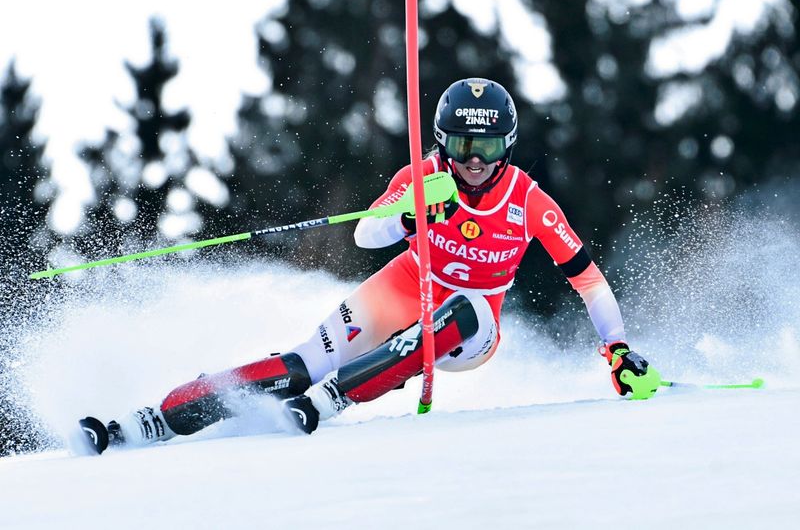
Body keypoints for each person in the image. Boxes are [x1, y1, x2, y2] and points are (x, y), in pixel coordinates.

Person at [79, 78, 660, 454]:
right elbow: (366, 230)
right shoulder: (422, 176)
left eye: (485, 149)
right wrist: (412, 218)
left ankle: (334, 399)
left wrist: (616, 347)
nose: (473, 162)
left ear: (507, 146)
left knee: (464, 310)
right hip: (407, 286)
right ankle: (154, 419)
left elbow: (586, 277)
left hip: (473, 326)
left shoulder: (528, 200)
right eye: (461, 147)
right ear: (442, 143)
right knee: (304, 360)